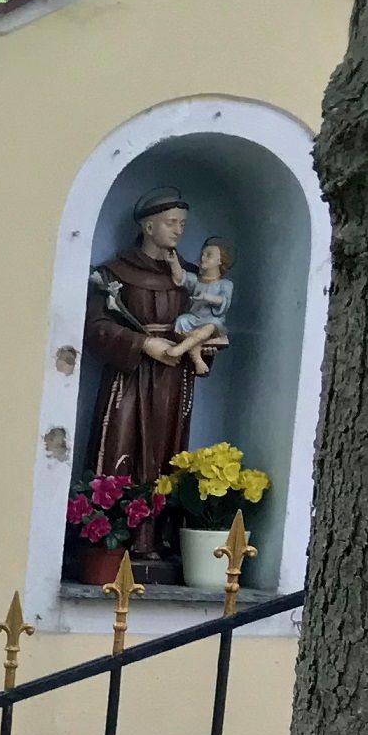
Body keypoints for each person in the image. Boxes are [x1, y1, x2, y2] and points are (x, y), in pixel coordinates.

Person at [83, 186, 205, 556]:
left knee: (168, 456)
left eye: (183, 224)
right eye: (171, 222)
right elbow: (94, 327)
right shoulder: (115, 273)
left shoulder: (190, 279)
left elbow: (210, 322)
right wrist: (143, 344)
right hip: (130, 380)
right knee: (122, 447)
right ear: (148, 227)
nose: (178, 230)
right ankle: (112, 537)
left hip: (173, 379)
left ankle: (158, 539)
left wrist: (201, 346)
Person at [164, 237, 234, 373]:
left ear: (220, 261)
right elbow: (180, 277)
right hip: (194, 318)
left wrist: (206, 297)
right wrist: (174, 263)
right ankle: (198, 361)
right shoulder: (196, 281)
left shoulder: (225, 284)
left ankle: (181, 348)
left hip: (212, 321)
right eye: (202, 254)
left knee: (208, 328)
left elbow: (224, 301)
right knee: (181, 321)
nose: (203, 257)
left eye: (209, 255)